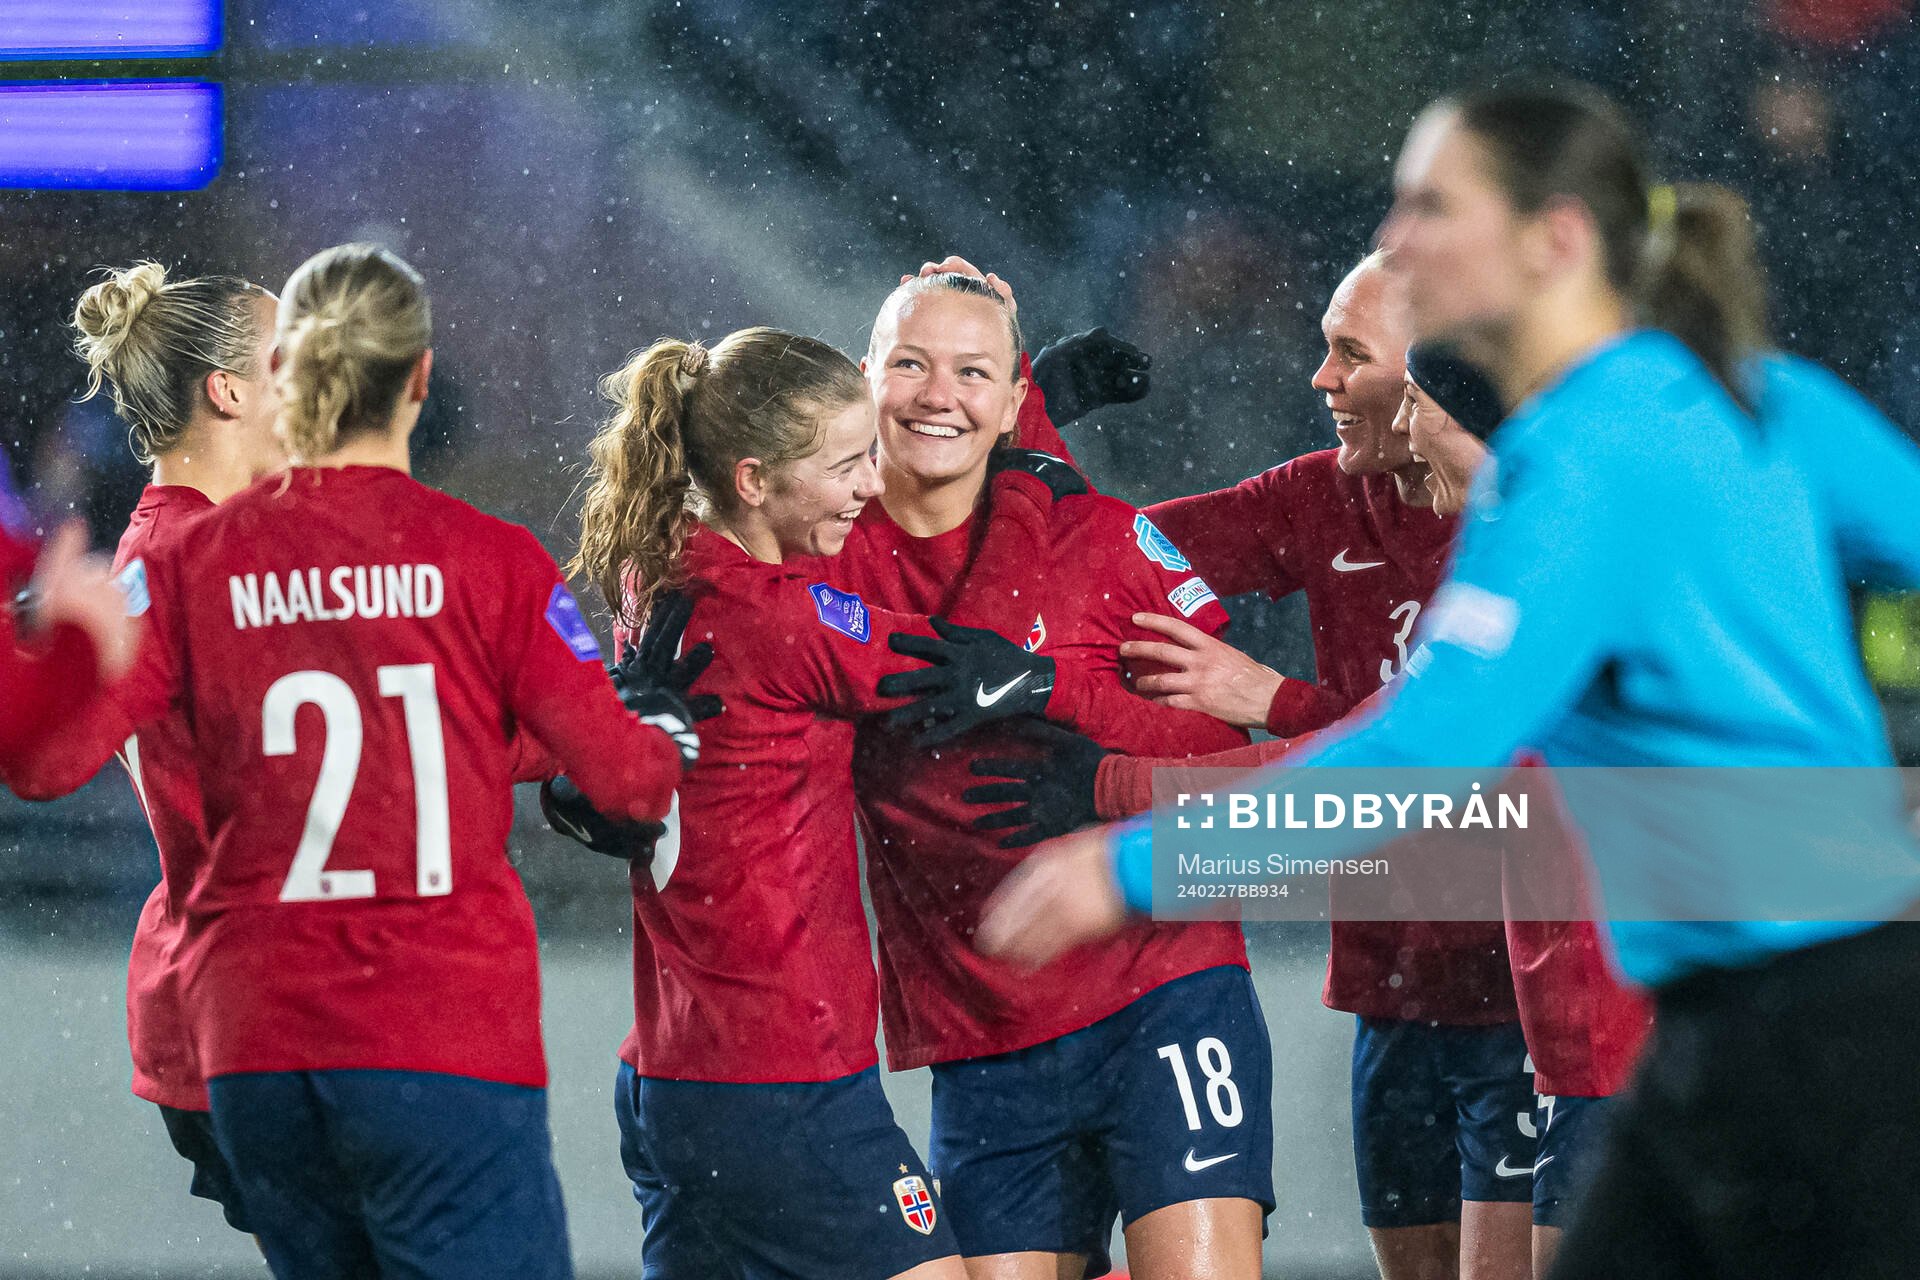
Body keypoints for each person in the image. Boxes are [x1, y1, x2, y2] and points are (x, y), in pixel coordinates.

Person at [979, 86, 1920, 1280]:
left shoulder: (1571, 469)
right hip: (1755, 1023)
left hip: (1802, 1034)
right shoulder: (1760, 393)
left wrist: (1126, 867)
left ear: (1554, 239)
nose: (1398, 235)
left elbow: (1418, 754)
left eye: (1431, 205)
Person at [7, 243, 696, 1280]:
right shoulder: (224, 553)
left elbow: (59, 760)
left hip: (253, 1025)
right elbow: (556, 764)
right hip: (395, 1011)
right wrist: (618, 727)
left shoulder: (189, 559)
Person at [972, 256, 1535, 1280]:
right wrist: (1027, 423)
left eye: (1350, 353)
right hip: (1394, 994)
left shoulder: (1539, 531)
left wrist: (1271, 699)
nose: (1321, 378)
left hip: (1523, 995)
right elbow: (1107, 562)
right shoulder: (1324, 498)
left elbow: (1473, 782)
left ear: (1433, 373)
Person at [560, 326, 1085, 1280]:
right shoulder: (781, 619)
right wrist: (1026, 471)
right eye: (847, 466)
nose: (872, 486)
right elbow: (972, 653)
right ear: (754, 480)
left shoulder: (658, 570)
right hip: (783, 1081)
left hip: (672, 1073)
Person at [841, 266, 1271, 1280]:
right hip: (981, 1028)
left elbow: (1234, 760)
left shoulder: (1108, 539)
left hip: (1163, 991)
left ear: (1011, 402)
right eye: (910, 364)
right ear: (865, 380)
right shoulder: (823, 559)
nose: (938, 395)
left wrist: (1094, 760)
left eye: (972, 372)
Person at [57, 259, 285, 1236]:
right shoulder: (184, 561)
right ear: (229, 391)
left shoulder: (207, 548)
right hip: (253, 1009)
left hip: (255, 1000)